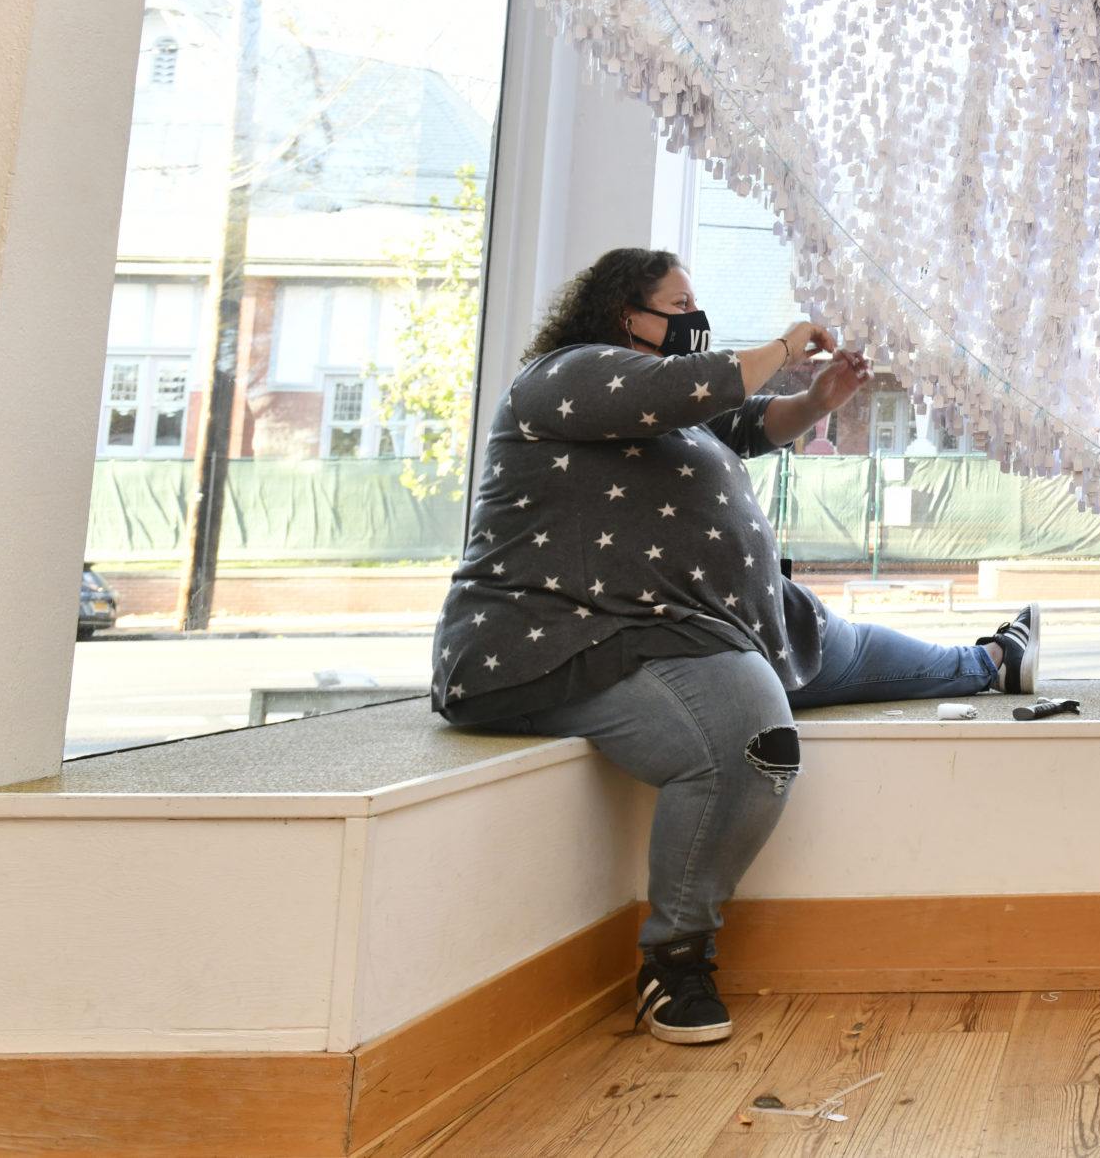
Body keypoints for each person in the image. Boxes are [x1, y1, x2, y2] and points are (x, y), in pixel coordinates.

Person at [432, 247, 1042, 1045]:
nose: (695, 318)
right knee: (751, 738)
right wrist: (787, 346)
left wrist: (816, 395)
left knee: (858, 652)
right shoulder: (566, 374)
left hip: (727, 620)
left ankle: (992, 660)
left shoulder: (667, 407)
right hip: (581, 635)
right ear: (624, 313)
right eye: (678, 304)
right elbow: (701, 385)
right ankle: (674, 958)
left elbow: (751, 423)